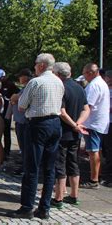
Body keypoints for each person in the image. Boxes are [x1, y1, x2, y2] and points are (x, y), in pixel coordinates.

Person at [10, 53, 64, 220]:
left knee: (31, 167)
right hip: (55, 123)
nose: (34, 67)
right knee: (49, 169)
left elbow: (21, 105)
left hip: (38, 124)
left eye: (35, 64)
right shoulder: (59, 81)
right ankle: (44, 208)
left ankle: (27, 207)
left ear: (41, 65)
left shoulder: (36, 82)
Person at [51, 62, 89, 208]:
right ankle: (74, 195)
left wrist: (74, 125)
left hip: (63, 132)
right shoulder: (79, 88)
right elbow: (86, 109)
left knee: (60, 165)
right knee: (73, 163)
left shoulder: (61, 88)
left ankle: (58, 198)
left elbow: (62, 111)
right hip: (75, 134)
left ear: (57, 74)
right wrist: (78, 124)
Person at [80, 63, 110, 189]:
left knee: (93, 151)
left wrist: (79, 121)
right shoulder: (101, 83)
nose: (84, 77)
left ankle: (94, 179)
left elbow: (88, 106)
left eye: (85, 74)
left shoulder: (94, 85)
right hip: (99, 122)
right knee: (96, 150)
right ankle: (97, 175)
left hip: (92, 123)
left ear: (91, 72)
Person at [7, 68, 33, 176]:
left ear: (25, 77)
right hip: (20, 121)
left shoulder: (29, 87)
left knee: (25, 146)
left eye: (20, 76)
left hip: (24, 121)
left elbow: (16, 98)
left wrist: (14, 99)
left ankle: (25, 167)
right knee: (22, 146)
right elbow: (13, 98)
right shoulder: (24, 88)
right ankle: (24, 163)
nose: (19, 78)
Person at [0, 68, 20, 159]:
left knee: (6, 132)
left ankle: (7, 151)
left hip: (6, 111)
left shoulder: (10, 84)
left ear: (4, 77)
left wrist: (12, 101)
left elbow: (19, 93)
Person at [101, 70, 112, 187]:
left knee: (109, 149)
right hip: (107, 122)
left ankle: (108, 175)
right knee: (107, 148)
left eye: (108, 77)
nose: (106, 79)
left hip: (110, 122)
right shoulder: (106, 88)